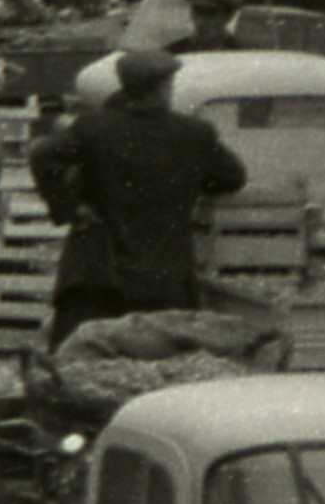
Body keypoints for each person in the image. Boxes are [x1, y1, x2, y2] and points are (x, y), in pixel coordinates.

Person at [37, 46, 244, 338]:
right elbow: (232, 177)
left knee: (82, 352)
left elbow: (42, 156)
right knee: (164, 355)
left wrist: (71, 207)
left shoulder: (93, 128)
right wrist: (191, 182)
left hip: (100, 272)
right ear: (163, 88)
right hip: (165, 275)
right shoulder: (194, 133)